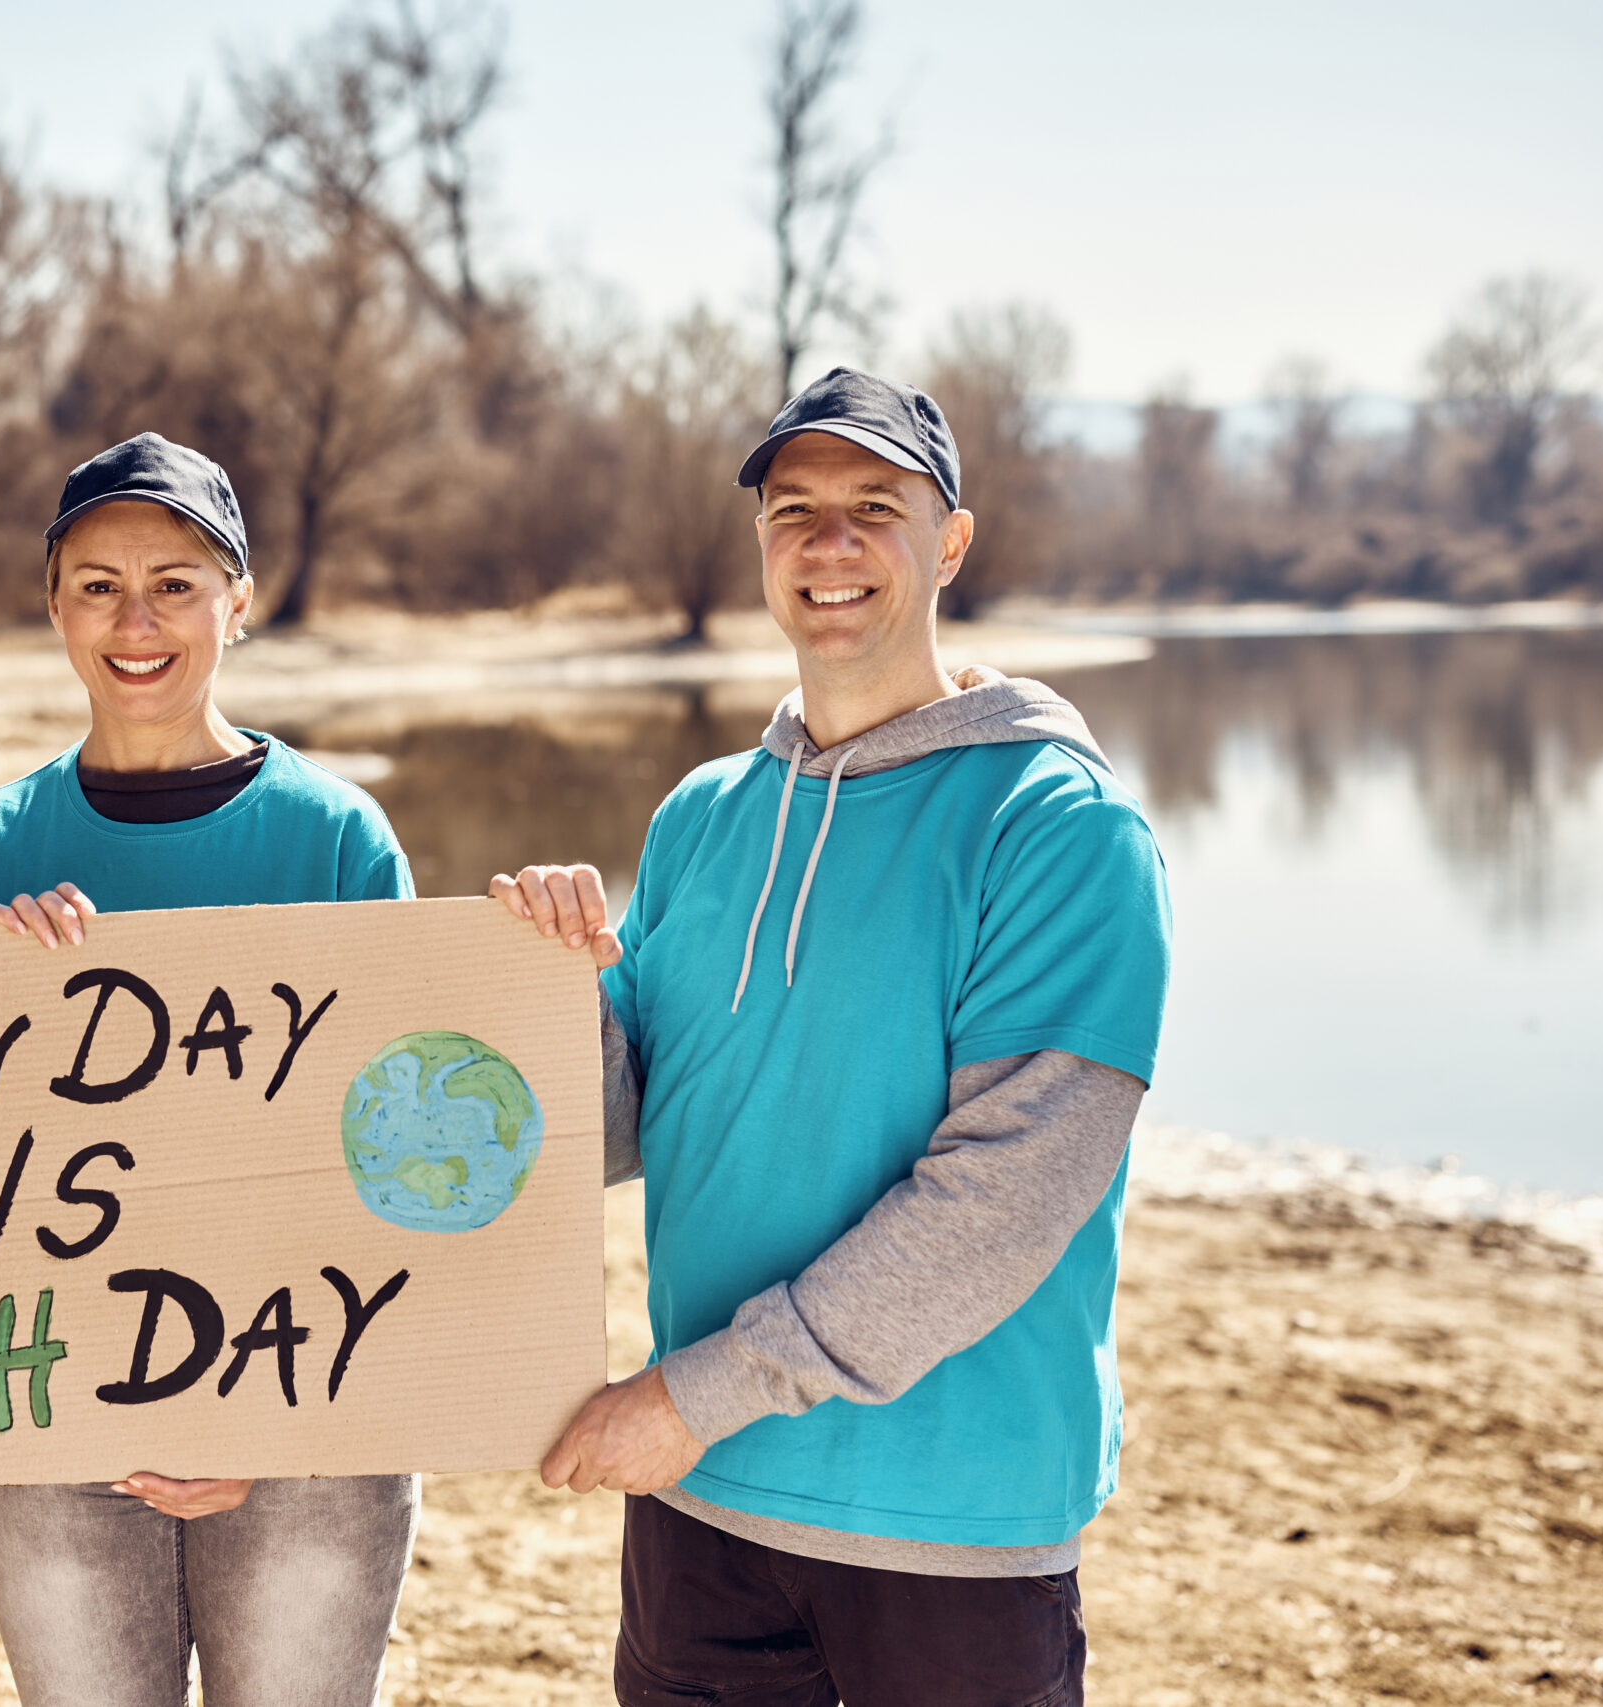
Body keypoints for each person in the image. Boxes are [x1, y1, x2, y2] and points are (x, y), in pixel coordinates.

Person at [496, 367, 1172, 1707]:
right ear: (761, 545)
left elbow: (1004, 1195)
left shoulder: (1057, 824)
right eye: (794, 507)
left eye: (877, 504)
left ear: (952, 542)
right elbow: (630, 1129)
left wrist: (696, 1392)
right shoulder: (700, 815)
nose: (831, 540)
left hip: (951, 1523)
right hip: (704, 1508)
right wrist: (542, 987)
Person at [0, 433, 415, 1707]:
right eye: (97, 584)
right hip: (51, 1417)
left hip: (310, 1419)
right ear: (54, 606)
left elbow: (398, 1151)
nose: (136, 620)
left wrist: (268, 1410)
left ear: (237, 601)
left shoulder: (337, 835)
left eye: (176, 582)